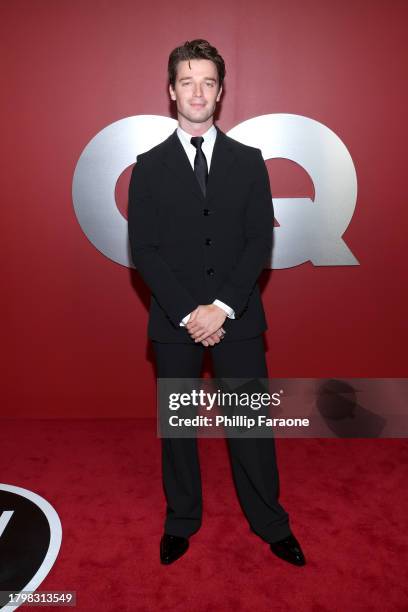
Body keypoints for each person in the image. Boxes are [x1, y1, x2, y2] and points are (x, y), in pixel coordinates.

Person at [128, 39, 306, 566]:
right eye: (187, 81)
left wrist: (222, 307)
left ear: (221, 91)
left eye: (208, 82)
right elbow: (146, 250)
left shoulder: (249, 162)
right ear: (171, 91)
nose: (198, 91)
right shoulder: (148, 166)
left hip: (240, 318)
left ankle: (271, 523)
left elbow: (258, 242)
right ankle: (181, 520)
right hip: (173, 319)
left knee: (250, 425)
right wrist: (189, 313)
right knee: (178, 428)